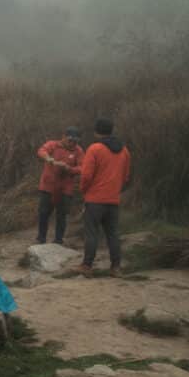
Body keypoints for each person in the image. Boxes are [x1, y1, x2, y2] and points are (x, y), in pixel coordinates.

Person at [75, 118, 132, 277]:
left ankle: (87, 266)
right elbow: (126, 176)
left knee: (92, 233)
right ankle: (116, 267)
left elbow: (86, 175)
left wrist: (84, 191)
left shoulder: (95, 149)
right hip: (113, 199)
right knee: (113, 234)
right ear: (112, 131)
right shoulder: (124, 151)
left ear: (96, 132)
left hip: (94, 199)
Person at [35, 126, 84, 245]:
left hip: (65, 188)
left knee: (62, 215)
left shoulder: (78, 151)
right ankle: (41, 238)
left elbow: (83, 167)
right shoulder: (53, 144)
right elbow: (41, 151)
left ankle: (58, 239)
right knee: (43, 212)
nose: (72, 143)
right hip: (48, 186)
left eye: (75, 141)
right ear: (63, 136)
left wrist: (69, 169)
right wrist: (49, 159)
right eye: (70, 140)